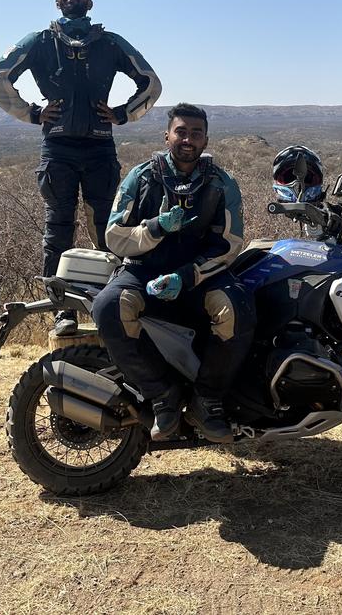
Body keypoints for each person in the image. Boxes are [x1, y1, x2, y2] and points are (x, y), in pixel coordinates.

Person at [0, 0, 161, 336]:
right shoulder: (39, 41)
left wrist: (125, 113)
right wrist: (31, 112)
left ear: (90, 1)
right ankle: (62, 312)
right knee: (58, 228)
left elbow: (151, 82)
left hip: (99, 145)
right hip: (58, 147)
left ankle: (107, 305)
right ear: (57, 1)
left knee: (106, 229)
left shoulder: (110, 43)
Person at [91, 103, 254, 444]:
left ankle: (207, 400)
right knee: (108, 306)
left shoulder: (222, 184)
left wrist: (187, 276)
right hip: (143, 272)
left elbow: (229, 244)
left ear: (206, 140)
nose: (188, 140)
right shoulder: (142, 176)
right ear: (167, 136)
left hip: (198, 277)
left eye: (196, 133)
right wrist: (154, 228)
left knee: (237, 306)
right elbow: (114, 236)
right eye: (181, 131)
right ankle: (163, 394)